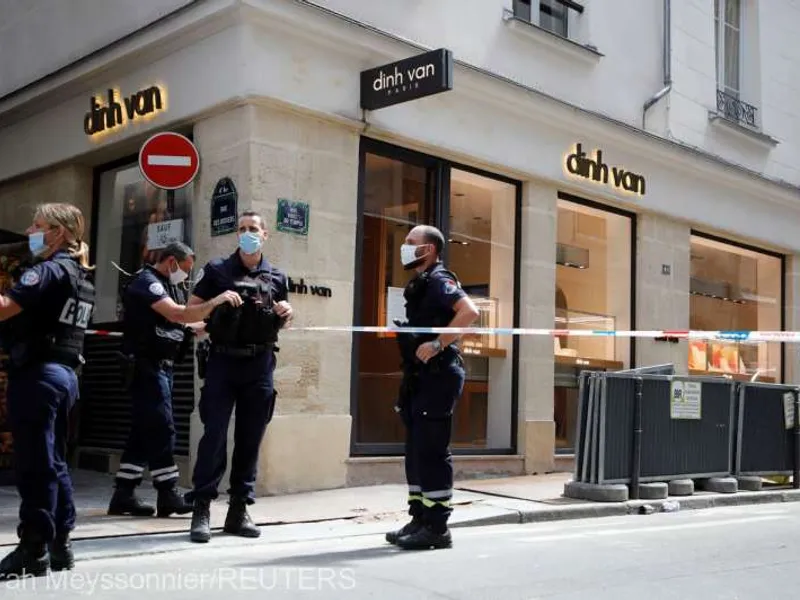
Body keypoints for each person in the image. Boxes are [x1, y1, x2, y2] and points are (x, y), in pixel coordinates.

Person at [107, 242, 244, 518]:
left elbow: (184, 326)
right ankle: (168, 492)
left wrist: (218, 322)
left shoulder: (168, 286)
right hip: (146, 367)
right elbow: (177, 314)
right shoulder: (148, 283)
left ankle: (124, 493)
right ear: (171, 262)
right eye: (185, 269)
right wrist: (215, 301)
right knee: (162, 428)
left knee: (143, 431)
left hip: (162, 368)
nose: (186, 275)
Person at [184, 211, 293, 543]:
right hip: (222, 362)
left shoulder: (276, 275)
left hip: (259, 364)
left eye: (253, 229)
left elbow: (282, 318)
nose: (248, 234)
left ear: (265, 235)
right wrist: (216, 300)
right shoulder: (217, 270)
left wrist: (287, 313)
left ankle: (238, 511)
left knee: (250, 439)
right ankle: (201, 508)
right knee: (213, 436)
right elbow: (190, 312)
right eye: (242, 229)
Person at [0, 203, 96, 579]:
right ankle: (61, 544)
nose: (29, 231)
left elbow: (6, 307)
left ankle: (34, 546)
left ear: (58, 232)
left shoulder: (49, 270)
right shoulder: (79, 274)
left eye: (38, 225)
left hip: (38, 376)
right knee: (54, 461)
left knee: (36, 464)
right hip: (63, 375)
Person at [386, 225, 479, 550]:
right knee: (415, 451)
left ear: (429, 250)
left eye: (411, 243)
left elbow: (470, 311)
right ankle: (419, 518)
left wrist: (438, 343)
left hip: (439, 374)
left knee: (431, 450)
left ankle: (438, 528)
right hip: (418, 375)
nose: (405, 247)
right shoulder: (421, 284)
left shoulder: (440, 280)